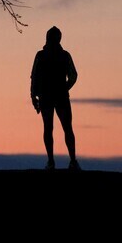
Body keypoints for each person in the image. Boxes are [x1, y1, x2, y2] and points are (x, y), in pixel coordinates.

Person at [30, 26, 79, 170]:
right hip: (55, 96)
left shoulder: (46, 55)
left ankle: (58, 161)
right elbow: (73, 76)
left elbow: (34, 77)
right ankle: (66, 161)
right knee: (61, 128)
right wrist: (64, 88)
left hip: (50, 96)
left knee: (56, 128)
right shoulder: (61, 55)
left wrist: (34, 95)